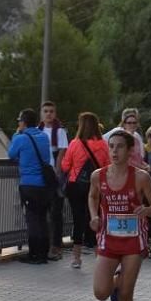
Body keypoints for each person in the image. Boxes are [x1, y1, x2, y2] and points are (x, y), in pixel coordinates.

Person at [89, 130, 151, 301]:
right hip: (108, 238)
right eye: (111, 147)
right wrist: (94, 216)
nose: (114, 151)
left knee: (127, 293)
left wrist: (146, 210)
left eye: (120, 147)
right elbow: (92, 197)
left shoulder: (141, 177)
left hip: (133, 240)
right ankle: (117, 281)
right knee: (101, 292)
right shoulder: (97, 176)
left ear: (130, 151)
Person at [61, 112, 110, 269]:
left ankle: (76, 258)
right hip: (95, 186)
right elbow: (108, 166)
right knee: (95, 218)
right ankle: (99, 256)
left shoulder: (75, 144)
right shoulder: (103, 145)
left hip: (76, 186)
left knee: (78, 220)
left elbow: (65, 166)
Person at [8, 108, 54, 265]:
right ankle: (44, 252)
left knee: (32, 219)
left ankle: (35, 254)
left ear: (24, 122)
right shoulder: (44, 137)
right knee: (42, 218)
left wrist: (16, 133)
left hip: (29, 184)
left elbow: (11, 154)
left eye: (20, 121)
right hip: (44, 186)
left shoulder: (20, 138)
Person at [39, 100, 69, 261]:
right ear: (42, 113)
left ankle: (56, 246)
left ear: (55, 113)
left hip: (55, 177)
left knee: (56, 213)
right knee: (43, 213)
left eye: (51, 111)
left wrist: (57, 173)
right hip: (41, 176)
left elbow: (63, 153)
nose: (48, 114)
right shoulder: (39, 131)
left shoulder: (60, 132)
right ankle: (43, 244)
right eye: (46, 111)